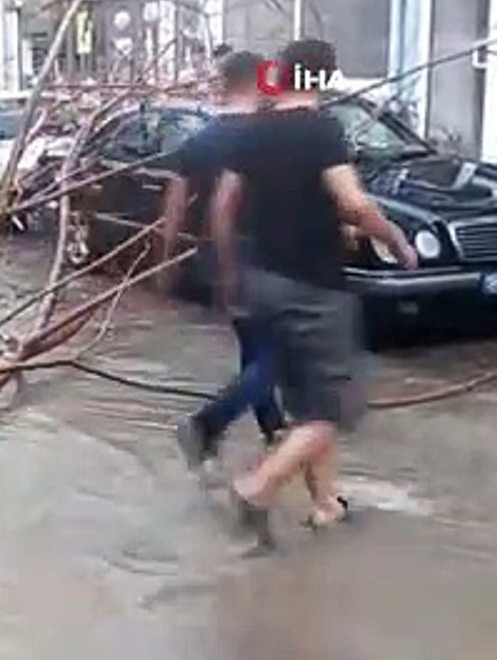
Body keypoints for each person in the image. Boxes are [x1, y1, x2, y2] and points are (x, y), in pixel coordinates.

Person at [210, 39, 417, 546]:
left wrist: (231, 272)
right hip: (314, 289)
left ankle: (326, 505)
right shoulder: (321, 129)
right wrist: (395, 240)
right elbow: (353, 203)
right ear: (321, 80)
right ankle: (257, 486)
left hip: (262, 284)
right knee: (334, 409)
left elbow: (222, 206)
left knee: (307, 402)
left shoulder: (253, 132)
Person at [158, 49, 287, 470]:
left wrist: (168, 257)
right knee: (282, 354)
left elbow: (175, 202)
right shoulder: (269, 137)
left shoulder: (202, 139)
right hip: (265, 255)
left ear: (225, 84)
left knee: (254, 347)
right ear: (256, 81)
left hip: (215, 254)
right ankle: (207, 424)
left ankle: (274, 429)